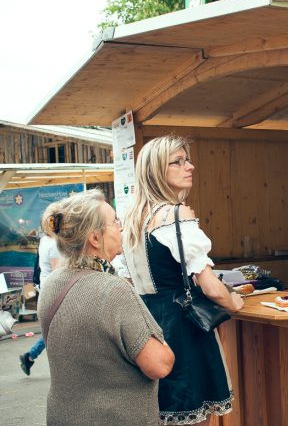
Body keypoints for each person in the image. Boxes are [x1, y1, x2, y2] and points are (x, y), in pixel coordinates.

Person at [123, 135, 244, 426]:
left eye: (186, 159)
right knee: (192, 416)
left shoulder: (131, 218)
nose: (190, 166)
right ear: (155, 171)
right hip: (181, 328)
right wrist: (237, 302)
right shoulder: (175, 214)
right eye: (178, 162)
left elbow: (126, 281)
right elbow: (211, 287)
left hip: (145, 328)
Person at [37, 189, 175, 426]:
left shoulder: (51, 285)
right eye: (115, 221)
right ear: (95, 238)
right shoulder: (113, 289)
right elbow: (159, 364)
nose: (121, 227)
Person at [19, 231, 59, 376]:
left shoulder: (44, 240)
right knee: (54, 328)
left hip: (46, 287)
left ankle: (30, 356)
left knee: (53, 328)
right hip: (54, 291)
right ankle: (31, 356)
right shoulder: (54, 243)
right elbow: (57, 272)